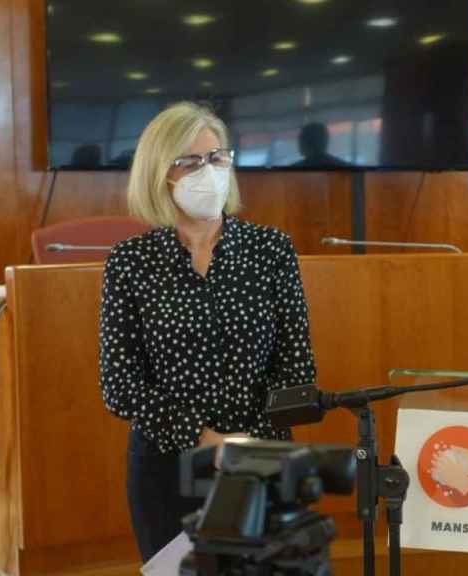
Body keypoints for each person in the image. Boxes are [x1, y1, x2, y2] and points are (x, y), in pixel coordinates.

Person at [98, 101, 317, 562]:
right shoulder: (129, 262)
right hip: (166, 466)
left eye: (217, 157)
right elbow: (120, 385)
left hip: (261, 463)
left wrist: (247, 448)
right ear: (161, 174)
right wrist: (206, 441)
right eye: (190, 161)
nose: (209, 171)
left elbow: (296, 368)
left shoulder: (271, 250)